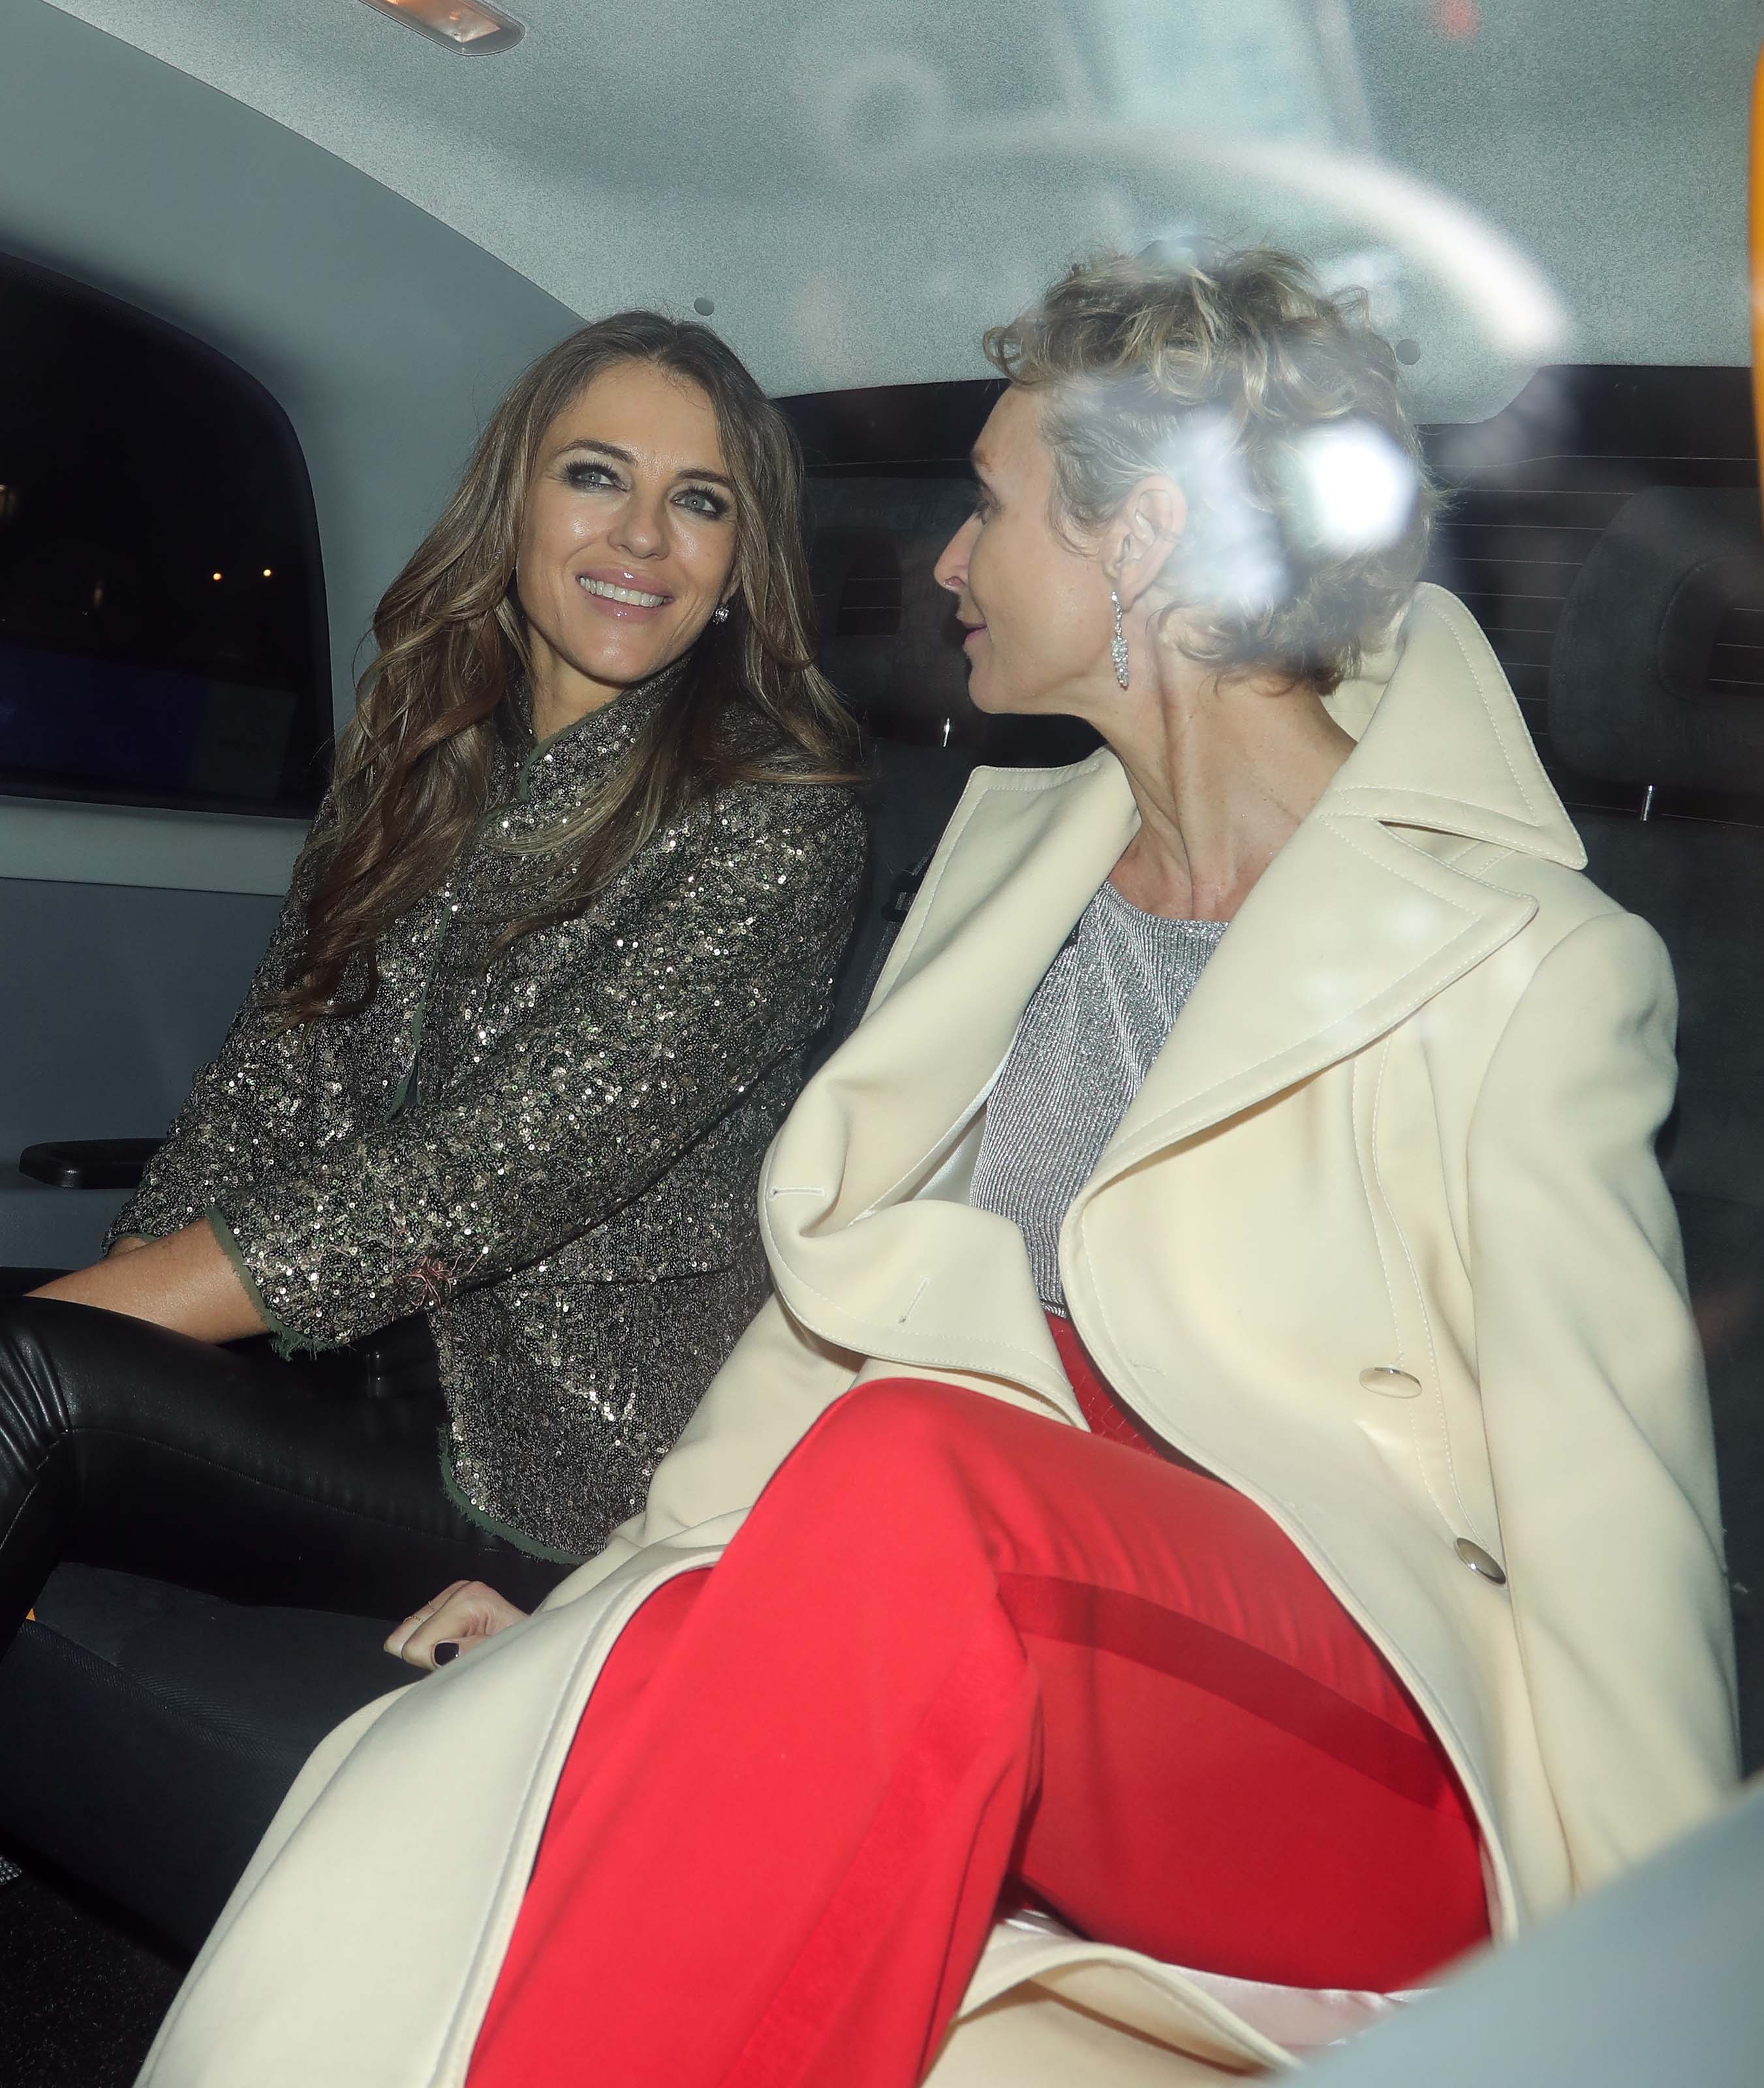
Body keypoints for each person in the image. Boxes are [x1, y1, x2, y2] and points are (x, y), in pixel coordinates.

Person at [138, 251, 1737, 2088]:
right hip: (989, 1603)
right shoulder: (1016, 872)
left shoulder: (1525, 964)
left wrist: (1659, 2006)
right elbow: (837, 1325)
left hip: (1354, 1751)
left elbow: (1618, 1531)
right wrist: (603, 1613)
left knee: (921, 1472)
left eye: (990, 504)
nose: (950, 563)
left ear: (1142, 536)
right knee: (564, 1717)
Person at [0, 311, 865, 1651]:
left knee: (30, 1369)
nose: (643, 537)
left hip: (535, 1453)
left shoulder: (778, 821)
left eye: (700, 501)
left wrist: (79, 1326)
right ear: (513, 503)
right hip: (327, 1346)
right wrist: (126, 1295)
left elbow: (482, 1175)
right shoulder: (422, 751)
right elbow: (267, 1076)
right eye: (596, 476)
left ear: (741, 561)